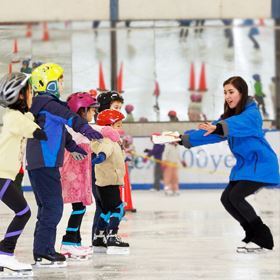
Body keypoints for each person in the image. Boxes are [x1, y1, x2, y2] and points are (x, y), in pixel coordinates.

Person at [179, 76, 279, 253]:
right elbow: (210, 133)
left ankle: (263, 238)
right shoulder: (228, 117)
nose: (227, 96)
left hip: (261, 164)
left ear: (242, 92)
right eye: (225, 92)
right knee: (227, 199)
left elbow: (239, 123)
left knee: (236, 197)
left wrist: (218, 127)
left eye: (231, 92)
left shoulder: (252, 113)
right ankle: (251, 234)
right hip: (245, 167)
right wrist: (182, 139)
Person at [26, 63, 103, 267]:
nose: (61, 84)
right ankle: (44, 251)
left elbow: (61, 131)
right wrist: (88, 131)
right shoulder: (49, 105)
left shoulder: (41, 105)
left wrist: (72, 146)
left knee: (46, 208)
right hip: (46, 162)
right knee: (53, 207)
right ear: (49, 84)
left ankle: (41, 250)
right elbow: (71, 119)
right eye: (59, 81)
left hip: (38, 163)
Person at [0, 72, 47, 277]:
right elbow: (36, 131)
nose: (32, 95)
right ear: (19, 95)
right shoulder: (12, 117)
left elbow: (29, 119)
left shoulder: (17, 116)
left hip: (4, 175)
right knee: (23, 212)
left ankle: (4, 251)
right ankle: (5, 253)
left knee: (22, 212)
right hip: (0, 175)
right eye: (29, 91)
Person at [59, 92, 100, 260]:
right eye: (91, 111)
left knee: (80, 207)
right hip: (73, 175)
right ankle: (68, 243)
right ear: (81, 111)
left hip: (79, 174)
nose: (94, 114)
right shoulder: (78, 128)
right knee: (79, 207)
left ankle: (75, 241)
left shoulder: (77, 127)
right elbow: (98, 131)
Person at [91, 109, 129, 255]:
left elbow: (115, 155)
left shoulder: (111, 140)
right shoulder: (108, 140)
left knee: (106, 211)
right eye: (118, 125)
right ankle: (112, 237)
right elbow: (105, 150)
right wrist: (101, 156)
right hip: (110, 182)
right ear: (109, 126)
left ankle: (99, 238)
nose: (121, 128)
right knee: (118, 209)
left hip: (104, 182)